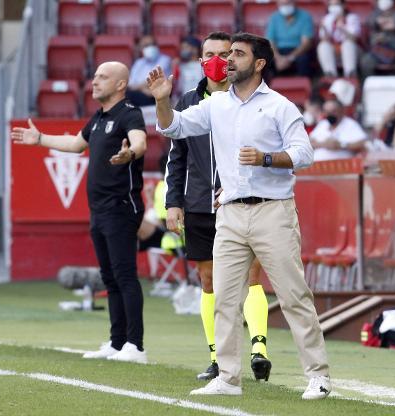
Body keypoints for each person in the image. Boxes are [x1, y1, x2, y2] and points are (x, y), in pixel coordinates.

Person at [148, 32, 331, 399]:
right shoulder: (216, 104)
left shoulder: (280, 106)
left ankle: (319, 376)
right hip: (229, 212)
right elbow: (173, 128)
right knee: (225, 299)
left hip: (272, 210)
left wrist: (265, 157)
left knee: (294, 295)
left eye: (237, 54)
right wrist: (163, 100)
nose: (228, 60)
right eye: (228, 54)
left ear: (259, 63)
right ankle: (228, 377)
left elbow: (305, 154)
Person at [11, 62, 148, 364]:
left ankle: (135, 346)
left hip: (121, 206)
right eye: (95, 75)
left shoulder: (129, 113)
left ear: (121, 84)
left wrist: (130, 153)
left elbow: (140, 140)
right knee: (109, 277)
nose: (94, 81)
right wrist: (41, 140)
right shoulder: (99, 117)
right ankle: (117, 342)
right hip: (98, 209)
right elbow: (75, 143)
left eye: (103, 77)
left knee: (125, 275)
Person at [164, 31, 271, 382]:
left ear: (234, 58)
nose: (217, 59)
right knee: (208, 281)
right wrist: (173, 202)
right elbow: (175, 156)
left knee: (250, 276)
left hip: (243, 201)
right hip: (198, 204)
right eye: (208, 53)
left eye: (224, 53)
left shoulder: (250, 99)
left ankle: (259, 349)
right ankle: (217, 357)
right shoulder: (188, 102)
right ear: (199, 60)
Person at [359, 0, 395, 86]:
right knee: (365, 62)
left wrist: (382, 26)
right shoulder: (374, 14)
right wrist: (384, 23)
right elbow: (371, 22)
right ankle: (367, 91)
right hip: (380, 51)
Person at [266, 0, 315, 77]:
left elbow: (306, 43)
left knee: (304, 59)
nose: (285, 6)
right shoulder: (274, 18)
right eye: (282, 4)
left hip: (298, 51)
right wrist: (278, 58)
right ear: (278, 4)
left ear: (294, 2)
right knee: (263, 59)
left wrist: (290, 58)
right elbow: (270, 42)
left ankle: (302, 86)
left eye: (288, 3)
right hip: (278, 51)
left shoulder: (305, 16)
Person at [317, 0, 362, 77]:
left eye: (336, 4)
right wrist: (323, 28)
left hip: (353, 50)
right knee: (323, 45)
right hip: (334, 51)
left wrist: (342, 28)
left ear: (343, 5)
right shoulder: (327, 18)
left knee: (347, 44)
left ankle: (350, 74)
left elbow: (354, 39)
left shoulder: (352, 17)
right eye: (331, 5)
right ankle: (330, 74)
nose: (333, 7)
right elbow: (324, 39)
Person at [127, 35, 172, 107]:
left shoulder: (165, 60)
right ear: (141, 48)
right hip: (141, 94)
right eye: (146, 45)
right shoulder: (139, 62)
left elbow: (157, 81)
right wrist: (144, 89)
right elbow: (130, 84)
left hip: (156, 96)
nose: (150, 47)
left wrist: (140, 88)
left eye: (152, 44)